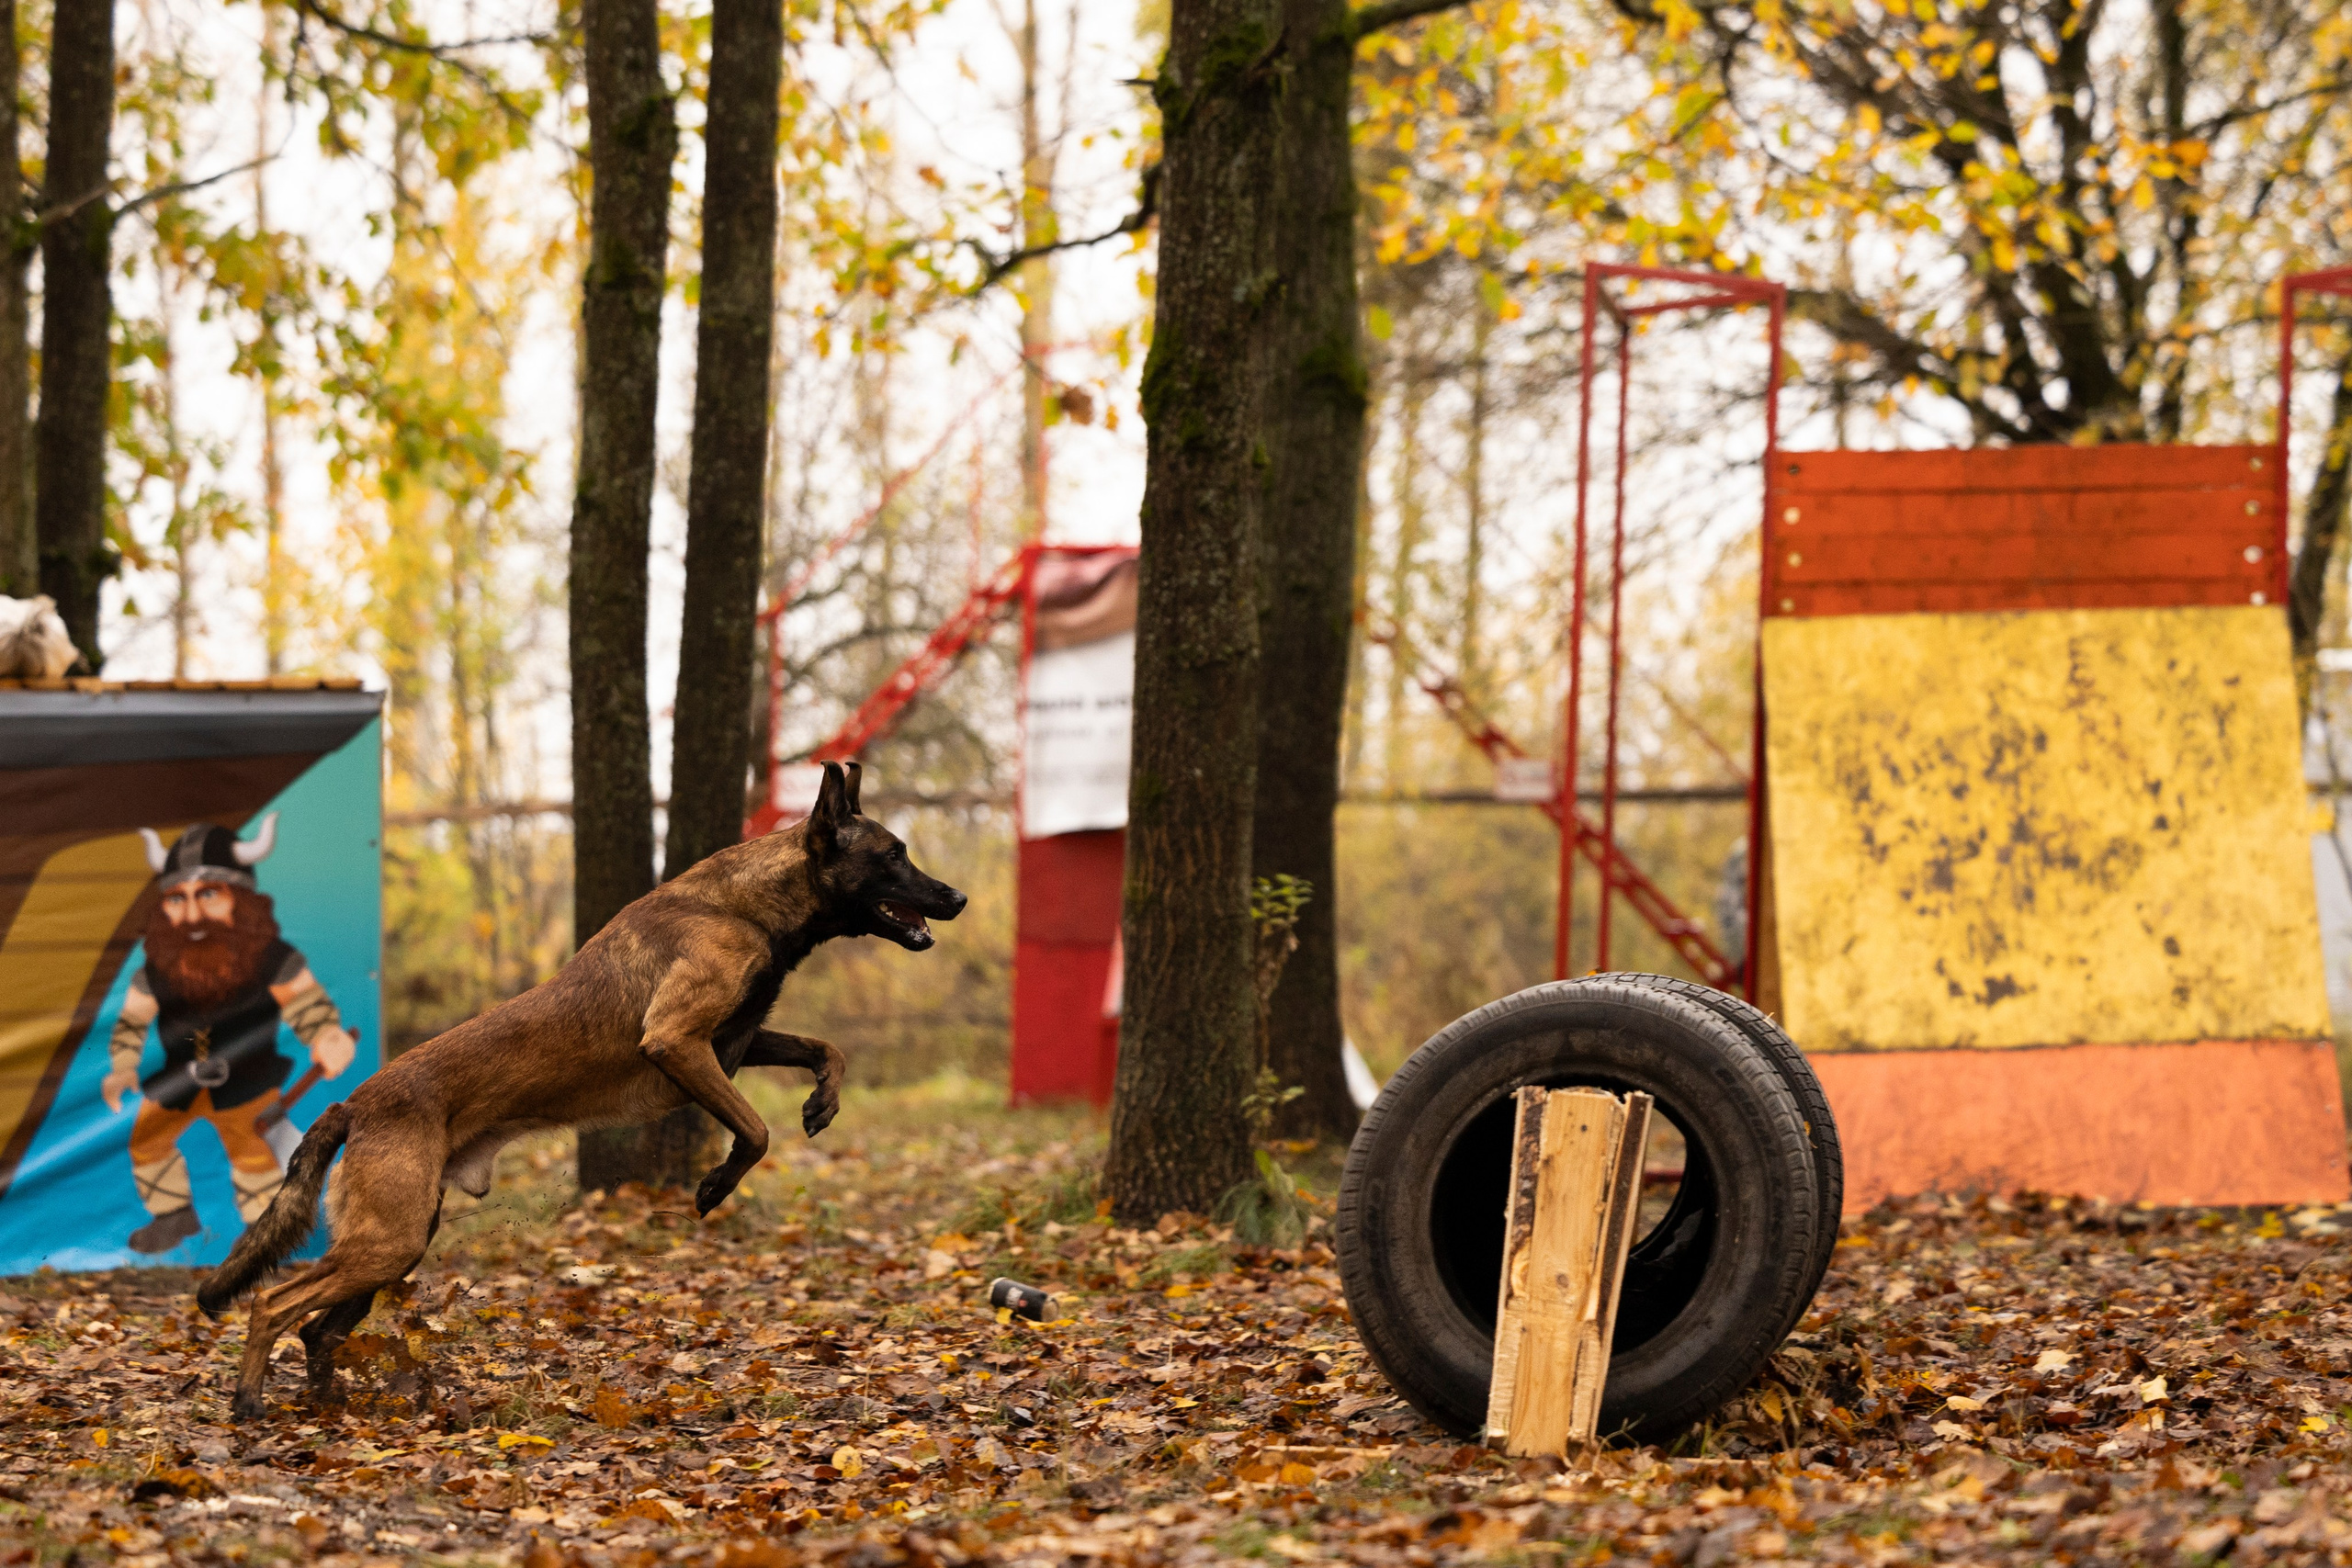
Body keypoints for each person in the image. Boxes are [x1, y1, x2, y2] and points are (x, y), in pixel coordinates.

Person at [101, 817, 356, 1253]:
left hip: (247, 1083)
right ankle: (173, 1215)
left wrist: (327, 1036)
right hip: (175, 1081)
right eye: (177, 899)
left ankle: (264, 1236)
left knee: (255, 1158)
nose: (193, 914)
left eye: (208, 895)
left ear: (241, 899)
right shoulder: (158, 965)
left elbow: (307, 1006)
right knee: (146, 1142)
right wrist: (123, 1066)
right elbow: (132, 1020)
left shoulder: (273, 959)